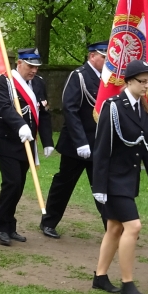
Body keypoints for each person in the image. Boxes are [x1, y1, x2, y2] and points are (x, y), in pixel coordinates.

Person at [91, 60, 148, 294]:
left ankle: (100, 277)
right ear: (128, 81)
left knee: (114, 228)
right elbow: (102, 148)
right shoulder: (113, 107)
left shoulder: (144, 108)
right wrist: (99, 186)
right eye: (142, 81)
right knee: (133, 227)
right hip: (113, 180)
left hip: (128, 179)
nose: (146, 86)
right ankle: (127, 282)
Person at [41, 41, 109, 238]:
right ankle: (48, 222)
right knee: (64, 184)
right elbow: (70, 110)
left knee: (102, 186)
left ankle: (112, 227)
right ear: (92, 57)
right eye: (103, 57)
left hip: (98, 144)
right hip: (75, 145)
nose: (107, 61)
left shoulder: (108, 80)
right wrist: (80, 142)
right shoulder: (79, 76)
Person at [0, 48, 54, 246]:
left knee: (18, 187)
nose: (33, 71)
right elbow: (3, 108)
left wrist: (47, 141)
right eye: (30, 66)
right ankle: (1, 226)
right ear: (19, 63)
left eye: (36, 67)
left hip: (28, 144)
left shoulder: (39, 83)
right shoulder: (5, 81)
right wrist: (20, 125)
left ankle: (10, 225)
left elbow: (43, 113)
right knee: (12, 183)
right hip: (7, 142)